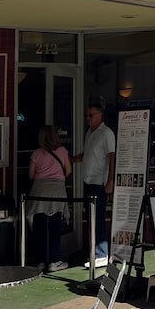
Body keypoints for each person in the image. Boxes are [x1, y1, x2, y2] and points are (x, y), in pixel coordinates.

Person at [72, 104, 116, 268]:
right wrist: (74, 159)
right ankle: (94, 251)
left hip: (99, 182)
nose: (88, 119)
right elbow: (89, 154)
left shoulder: (107, 133)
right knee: (91, 217)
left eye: (91, 115)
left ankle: (102, 253)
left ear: (100, 115)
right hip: (88, 181)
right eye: (87, 116)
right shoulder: (89, 133)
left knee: (98, 217)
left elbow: (111, 157)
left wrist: (110, 180)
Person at [27, 125, 71, 272]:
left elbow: (31, 175)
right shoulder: (63, 151)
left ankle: (40, 260)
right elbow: (69, 171)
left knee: (39, 228)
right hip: (57, 191)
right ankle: (54, 260)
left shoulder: (36, 154)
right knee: (54, 226)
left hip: (39, 191)